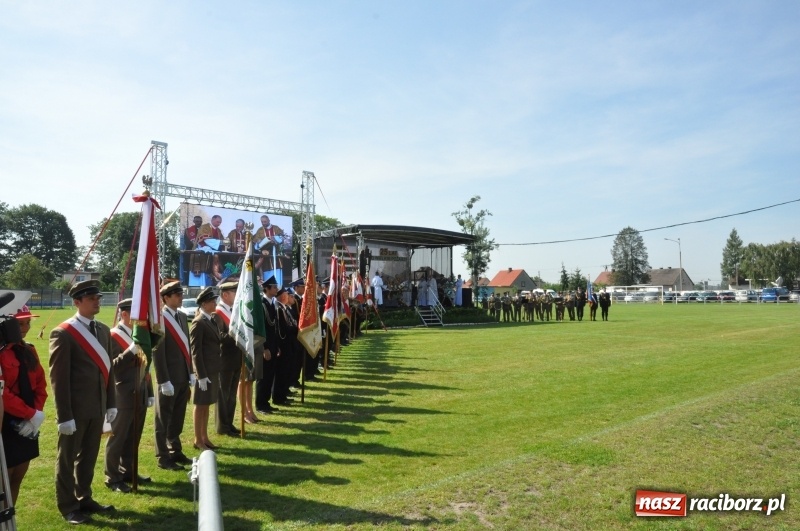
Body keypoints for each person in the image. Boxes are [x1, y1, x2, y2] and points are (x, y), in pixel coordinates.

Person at [49, 280, 116, 525]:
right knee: (67, 459)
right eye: (91, 298)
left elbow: (108, 370)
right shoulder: (63, 333)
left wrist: (111, 402)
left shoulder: (103, 330)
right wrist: (64, 416)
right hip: (75, 410)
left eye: (97, 297)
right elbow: (59, 379)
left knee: (88, 456)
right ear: (77, 302)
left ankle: (84, 497)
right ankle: (68, 506)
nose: (97, 301)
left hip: (97, 407)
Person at [104, 299, 153, 494]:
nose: (140, 320)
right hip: (122, 394)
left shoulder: (139, 335)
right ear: (124, 314)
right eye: (136, 316)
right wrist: (130, 351)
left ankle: (128, 471)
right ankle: (112, 476)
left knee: (134, 436)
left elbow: (145, 365)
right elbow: (112, 367)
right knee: (117, 438)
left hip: (139, 391)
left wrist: (149, 391)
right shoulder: (113, 336)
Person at [0, 305, 47, 508]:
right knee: (4, 480)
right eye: (20, 323)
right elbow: (3, 393)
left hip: (27, 422)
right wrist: (29, 413)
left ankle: (10, 517)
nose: (25, 327)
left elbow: (40, 385)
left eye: (28, 322)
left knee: (18, 475)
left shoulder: (29, 350)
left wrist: (35, 414)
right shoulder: (1, 353)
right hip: (5, 421)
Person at [153, 281, 193, 471]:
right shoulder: (160, 319)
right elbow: (158, 352)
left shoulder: (182, 317)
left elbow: (187, 348)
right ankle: (162, 456)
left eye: (180, 293)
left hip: (183, 375)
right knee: (164, 419)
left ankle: (175, 450)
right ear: (165, 298)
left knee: (177, 416)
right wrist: (163, 380)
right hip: (168, 377)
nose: (180, 296)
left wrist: (190, 372)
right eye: (175, 294)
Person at [190, 287, 222, 450]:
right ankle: (197, 439)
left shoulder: (211, 319)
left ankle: (204, 436)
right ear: (204, 304)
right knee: (200, 405)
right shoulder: (198, 322)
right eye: (212, 301)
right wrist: (200, 375)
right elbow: (196, 351)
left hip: (213, 369)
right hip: (204, 371)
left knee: (207, 404)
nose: (215, 303)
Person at [214, 280, 242, 436]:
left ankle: (229, 423)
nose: (236, 295)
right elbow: (220, 336)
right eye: (233, 292)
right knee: (223, 395)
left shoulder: (232, 310)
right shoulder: (217, 313)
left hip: (235, 358)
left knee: (231, 395)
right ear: (225, 295)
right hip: (224, 359)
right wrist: (237, 335)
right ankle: (222, 426)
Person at [256, 276, 280, 414]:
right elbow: (261, 328)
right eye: (274, 287)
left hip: (273, 344)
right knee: (263, 376)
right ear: (267, 288)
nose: (276, 289)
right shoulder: (262, 304)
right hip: (264, 346)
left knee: (270, 375)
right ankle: (260, 404)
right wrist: (264, 348)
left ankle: (266, 402)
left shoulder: (272, 303)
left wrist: (276, 346)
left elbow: (274, 327)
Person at [253, 215, 285, 282]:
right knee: (268, 279)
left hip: (276, 254)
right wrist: (260, 243)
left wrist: (275, 239)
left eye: (265, 221)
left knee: (278, 274)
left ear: (269, 220)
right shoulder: (260, 230)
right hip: (266, 257)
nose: (263, 223)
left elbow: (282, 239)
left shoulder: (276, 228)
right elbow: (256, 245)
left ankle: (279, 289)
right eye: (262, 222)